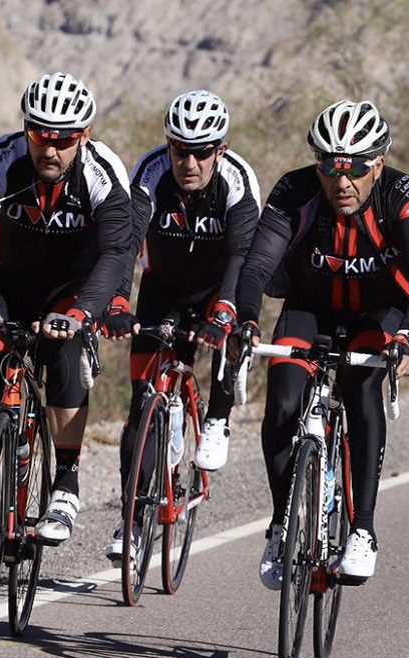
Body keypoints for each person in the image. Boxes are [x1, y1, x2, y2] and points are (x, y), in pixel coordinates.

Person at [232, 99, 409, 587]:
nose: (341, 181)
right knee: (283, 403)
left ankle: (364, 530)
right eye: (329, 166)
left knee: (363, 389)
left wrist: (406, 340)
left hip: (380, 314)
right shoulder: (294, 190)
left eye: (354, 169)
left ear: (378, 165)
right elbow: (258, 265)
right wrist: (247, 320)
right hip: (311, 308)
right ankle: (281, 524)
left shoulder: (402, 194)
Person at [0, 72, 133, 573]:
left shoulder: (102, 173)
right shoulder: (1, 160)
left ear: (84, 136)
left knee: (64, 354)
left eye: (63, 140)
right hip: (9, 286)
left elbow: (118, 251)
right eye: (39, 135)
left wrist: (82, 313)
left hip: (72, 290)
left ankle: (67, 481)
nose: (49, 150)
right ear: (26, 129)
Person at [101, 89, 261, 563]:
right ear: (168, 145)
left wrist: (226, 312)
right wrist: (114, 301)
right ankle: (131, 525)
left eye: (202, 151)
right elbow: (126, 243)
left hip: (218, 287)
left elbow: (242, 257)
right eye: (179, 149)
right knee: (140, 404)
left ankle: (217, 418)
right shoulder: (150, 173)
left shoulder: (238, 180)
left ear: (221, 150)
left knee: (234, 329)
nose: (188, 161)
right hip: (163, 288)